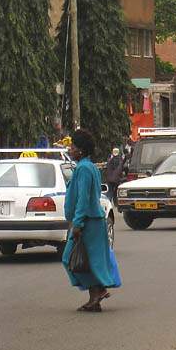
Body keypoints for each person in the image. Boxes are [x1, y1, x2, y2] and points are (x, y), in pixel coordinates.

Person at [62, 129, 121, 312]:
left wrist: (78, 223)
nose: (70, 149)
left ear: (80, 150)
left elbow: (84, 198)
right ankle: (95, 295)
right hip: (91, 221)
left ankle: (99, 291)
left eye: (72, 146)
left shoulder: (84, 168)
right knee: (88, 260)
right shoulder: (87, 166)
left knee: (70, 259)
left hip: (88, 222)